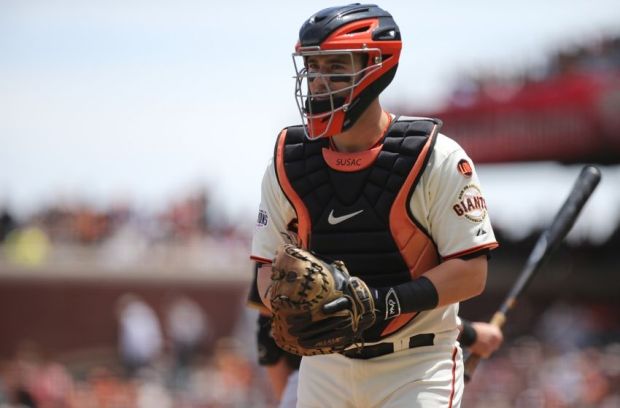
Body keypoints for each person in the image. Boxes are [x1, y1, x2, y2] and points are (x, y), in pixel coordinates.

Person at [250, 4, 499, 407]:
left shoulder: (436, 156)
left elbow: (472, 272)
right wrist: (288, 304)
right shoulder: (287, 161)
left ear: (377, 64)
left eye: (336, 67)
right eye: (313, 68)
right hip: (325, 366)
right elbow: (265, 269)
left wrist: (381, 302)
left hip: (417, 363)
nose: (319, 82)